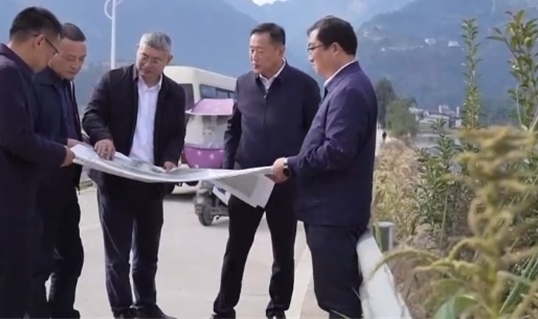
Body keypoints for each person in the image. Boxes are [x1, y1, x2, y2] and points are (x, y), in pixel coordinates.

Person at [0, 6, 80, 319]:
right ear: (39, 41)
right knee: (7, 300)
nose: (50, 59)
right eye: (54, 50)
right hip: (5, 203)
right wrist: (61, 153)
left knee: (7, 293)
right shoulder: (7, 72)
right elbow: (16, 138)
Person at [268, 16, 377, 319]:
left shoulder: (349, 90)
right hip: (332, 214)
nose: (309, 56)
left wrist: (291, 164)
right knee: (335, 299)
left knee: (338, 302)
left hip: (334, 216)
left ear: (335, 48)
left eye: (312, 48)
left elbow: (337, 151)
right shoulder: (345, 86)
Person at [212, 23, 320, 319]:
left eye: (260, 51)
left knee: (283, 251)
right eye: (251, 50)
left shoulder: (304, 86)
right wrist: (228, 168)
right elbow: (233, 128)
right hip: (247, 179)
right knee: (236, 249)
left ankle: (277, 309)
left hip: (285, 181)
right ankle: (223, 309)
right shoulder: (243, 84)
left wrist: (296, 168)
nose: (253, 56)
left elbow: (314, 135)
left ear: (279, 50)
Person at [82, 31, 186, 319]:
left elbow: (176, 133)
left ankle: (146, 306)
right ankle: (122, 311)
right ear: (136, 50)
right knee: (118, 256)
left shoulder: (174, 93)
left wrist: (170, 159)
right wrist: (102, 136)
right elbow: (91, 115)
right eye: (143, 56)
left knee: (147, 254)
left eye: (155, 60)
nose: (147, 64)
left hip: (151, 182)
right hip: (116, 179)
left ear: (168, 61)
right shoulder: (113, 81)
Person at [28, 23, 88, 319]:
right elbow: (26, 136)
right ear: (52, 50)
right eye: (69, 58)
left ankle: (62, 312)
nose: (76, 65)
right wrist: (64, 143)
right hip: (39, 188)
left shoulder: (67, 84)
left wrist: (86, 143)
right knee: (37, 264)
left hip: (65, 186)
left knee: (71, 257)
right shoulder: (33, 83)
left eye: (81, 60)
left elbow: (68, 128)